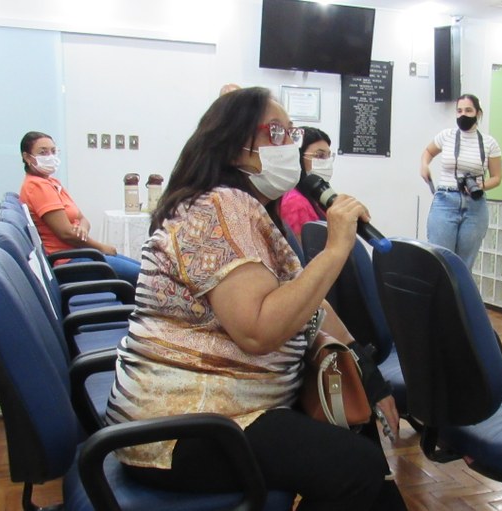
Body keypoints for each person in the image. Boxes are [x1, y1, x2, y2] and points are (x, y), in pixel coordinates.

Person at [105, 87, 401, 510]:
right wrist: (336, 249)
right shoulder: (218, 208)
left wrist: (366, 372)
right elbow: (258, 331)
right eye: (274, 132)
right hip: (185, 426)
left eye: (291, 133)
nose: (289, 146)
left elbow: (309, 305)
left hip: (223, 408)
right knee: (357, 468)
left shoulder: (242, 208)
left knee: (362, 448)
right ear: (232, 147)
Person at [18, 131, 141, 286]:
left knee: (147, 271)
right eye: (43, 152)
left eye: (53, 151)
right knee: (146, 278)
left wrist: (82, 229)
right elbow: (66, 234)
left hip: (81, 252)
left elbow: (82, 219)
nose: (50, 156)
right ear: (27, 157)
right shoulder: (37, 186)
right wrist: (101, 247)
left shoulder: (52, 183)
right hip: (68, 260)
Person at [420, 93, 502, 270]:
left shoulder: (489, 143)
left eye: (468, 110)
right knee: (440, 261)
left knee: (463, 266)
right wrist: (424, 165)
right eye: (459, 111)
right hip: (445, 200)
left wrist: (481, 185)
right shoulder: (446, 136)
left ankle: (460, 290)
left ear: (478, 113)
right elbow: (428, 152)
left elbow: (497, 178)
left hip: (475, 204)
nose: (463, 114)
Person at [280, 127, 335, 244]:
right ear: (298, 157)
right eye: (319, 155)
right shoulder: (295, 203)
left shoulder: (315, 195)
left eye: (329, 156)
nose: (327, 162)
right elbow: (304, 252)